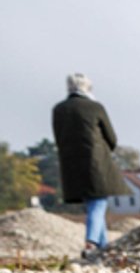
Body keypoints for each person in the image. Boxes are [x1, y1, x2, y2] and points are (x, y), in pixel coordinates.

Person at [50, 74, 124, 255]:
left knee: (93, 204)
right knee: (98, 203)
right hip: (96, 163)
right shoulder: (95, 107)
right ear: (88, 88)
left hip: (70, 164)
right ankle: (91, 242)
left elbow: (58, 137)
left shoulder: (58, 109)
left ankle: (103, 248)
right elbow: (112, 138)